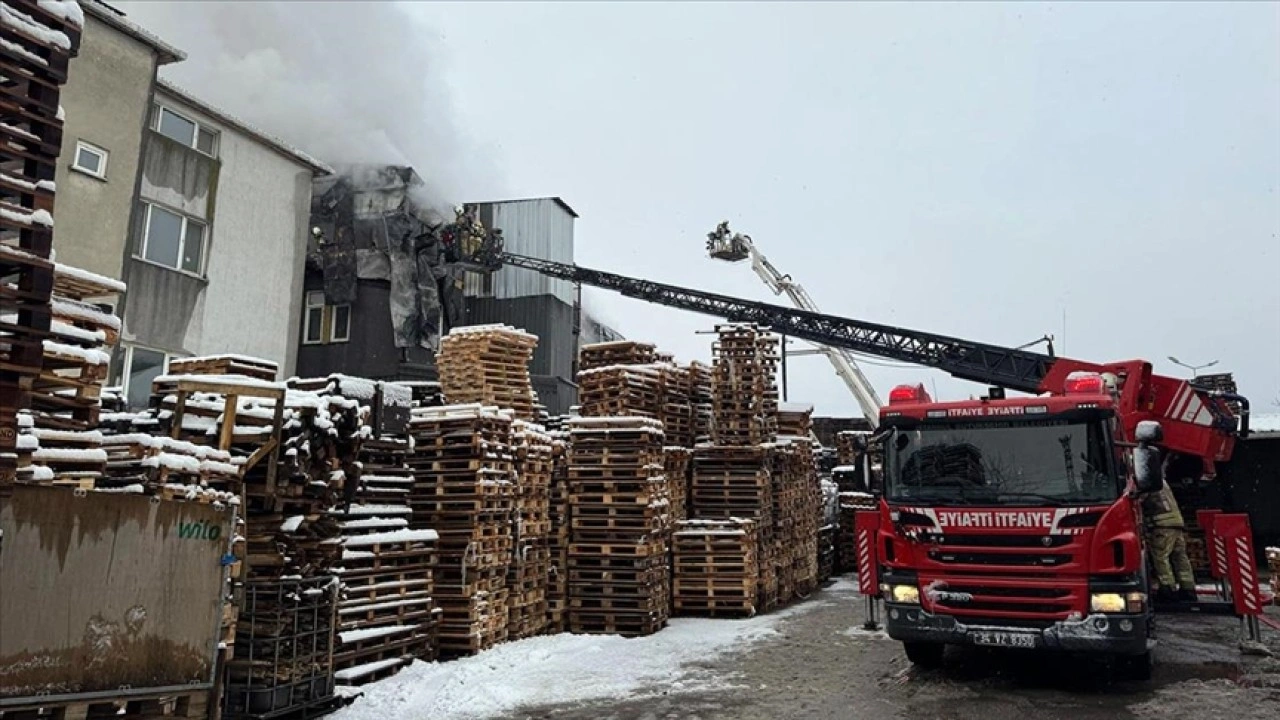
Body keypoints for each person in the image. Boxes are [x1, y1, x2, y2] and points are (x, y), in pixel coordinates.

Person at [1143, 475, 1198, 603]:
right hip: (1176, 523)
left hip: (1162, 525)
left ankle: (1168, 589)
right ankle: (1188, 589)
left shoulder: (1146, 480)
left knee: (1161, 557)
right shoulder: (1161, 481)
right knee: (1180, 557)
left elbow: (1139, 498)